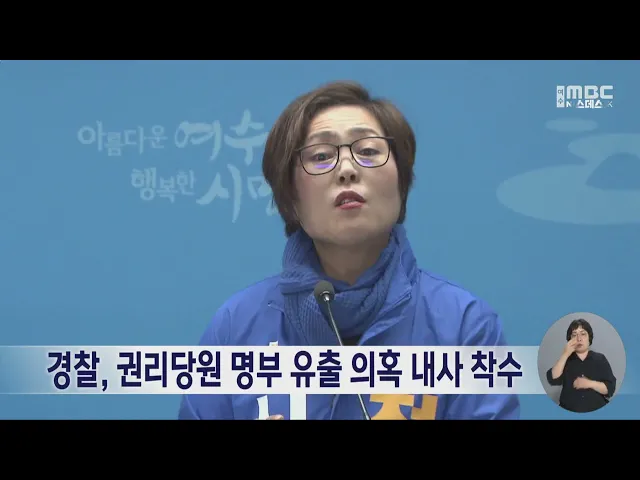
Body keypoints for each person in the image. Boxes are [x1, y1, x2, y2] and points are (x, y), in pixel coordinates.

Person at [178, 80, 520, 420]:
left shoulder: (464, 326)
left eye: (368, 151)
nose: (346, 169)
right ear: (291, 199)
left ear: (401, 183)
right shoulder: (235, 329)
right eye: (321, 156)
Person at [546, 318, 617, 413]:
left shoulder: (600, 359)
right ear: (570, 339)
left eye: (583, 334)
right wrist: (565, 354)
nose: (579, 339)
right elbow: (552, 379)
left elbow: (610, 389)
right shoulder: (565, 360)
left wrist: (589, 383)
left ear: (589, 338)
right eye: (574, 335)